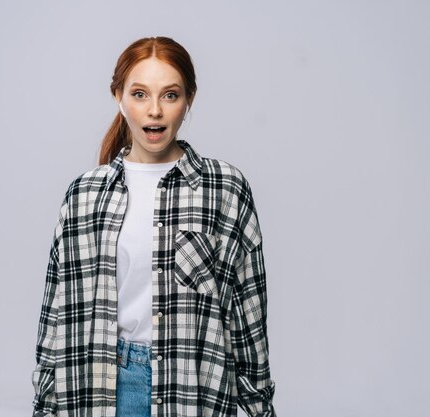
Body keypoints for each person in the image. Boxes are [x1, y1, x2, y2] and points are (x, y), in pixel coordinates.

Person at [32, 36, 277, 417]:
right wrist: (44, 405)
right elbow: (56, 312)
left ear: (189, 100)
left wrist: (258, 406)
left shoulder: (224, 188)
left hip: (196, 389)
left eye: (170, 95)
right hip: (103, 387)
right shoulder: (83, 195)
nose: (155, 111)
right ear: (119, 96)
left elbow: (248, 315)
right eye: (141, 94)